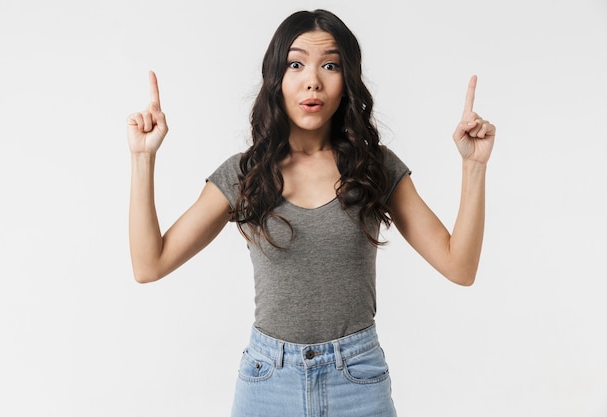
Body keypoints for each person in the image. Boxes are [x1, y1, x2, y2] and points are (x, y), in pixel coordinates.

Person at [126, 9, 495, 417]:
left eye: (330, 65)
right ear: (276, 79)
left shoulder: (375, 168)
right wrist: (143, 158)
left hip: (357, 380)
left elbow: (460, 267)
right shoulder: (244, 175)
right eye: (296, 64)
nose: (313, 79)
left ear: (347, 81)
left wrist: (473, 166)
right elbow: (149, 264)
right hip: (269, 383)